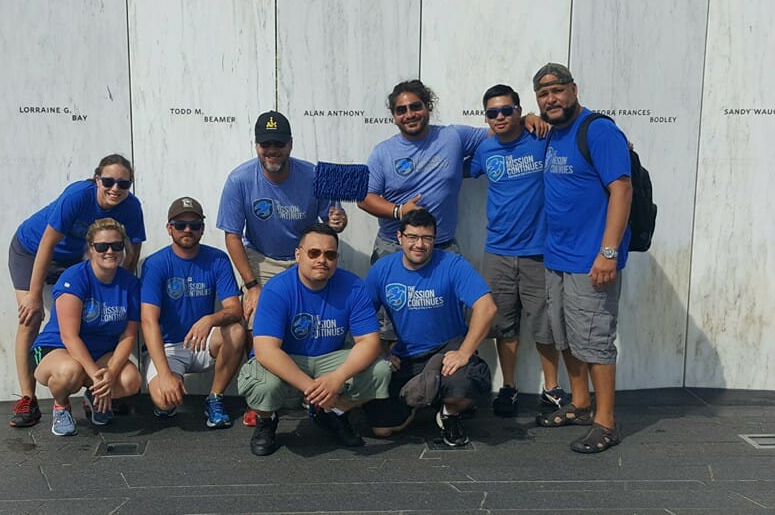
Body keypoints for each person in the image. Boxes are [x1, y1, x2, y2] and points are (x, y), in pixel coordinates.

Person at [217, 110, 347, 425]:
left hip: (303, 256)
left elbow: (334, 219)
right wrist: (251, 286)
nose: (271, 150)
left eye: (278, 143)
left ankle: (318, 395)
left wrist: (338, 222)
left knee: (315, 321)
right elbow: (232, 236)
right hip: (262, 257)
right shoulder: (239, 179)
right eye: (265, 144)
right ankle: (259, 399)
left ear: (290, 144)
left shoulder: (315, 174)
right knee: (257, 321)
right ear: (256, 145)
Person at [532, 63, 632, 454]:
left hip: (591, 260)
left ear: (574, 89)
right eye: (543, 94)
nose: (551, 99)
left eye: (557, 90)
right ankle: (580, 404)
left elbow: (621, 191)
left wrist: (607, 253)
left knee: (595, 340)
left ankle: (605, 423)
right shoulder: (553, 133)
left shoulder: (599, 131)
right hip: (557, 256)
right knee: (567, 335)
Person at [9, 154, 146, 428]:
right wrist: (35, 296)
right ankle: (28, 398)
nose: (115, 189)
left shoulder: (131, 207)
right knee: (31, 317)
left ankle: (93, 392)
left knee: (87, 320)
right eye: (108, 181)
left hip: (81, 254)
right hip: (33, 249)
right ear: (97, 179)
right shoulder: (78, 196)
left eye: (123, 184)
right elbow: (48, 242)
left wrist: (123, 285)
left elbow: (134, 247)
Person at [236, 223, 391, 456]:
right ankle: (267, 420)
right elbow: (266, 350)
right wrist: (312, 388)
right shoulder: (277, 289)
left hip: (329, 359)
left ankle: (334, 413)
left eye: (329, 255)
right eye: (314, 253)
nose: (322, 260)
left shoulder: (353, 286)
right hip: (288, 358)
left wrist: (336, 379)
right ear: (298, 255)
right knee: (263, 384)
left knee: (380, 370)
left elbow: (370, 342)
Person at [357, 79, 548, 263]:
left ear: (428, 106)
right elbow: (364, 197)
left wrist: (525, 118)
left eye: (415, 107)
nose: (409, 114)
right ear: (393, 115)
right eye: (401, 110)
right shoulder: (383, 152)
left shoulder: (453, 136)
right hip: (394, 246)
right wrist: (399, 211)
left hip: (442, 246)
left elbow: (499, 128)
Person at [468, 84, 567, 417]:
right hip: (497, 251)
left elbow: (566, 119)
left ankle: (552, 389)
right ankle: (508, 387)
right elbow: (456, 170)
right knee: (504, 326)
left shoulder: (541, 137)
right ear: (486, 118)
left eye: (507, 110)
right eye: (492, 112)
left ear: (518, 111)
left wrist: (534, 117)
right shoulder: (484, 151)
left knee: (545, 325)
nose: (500, 117)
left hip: (539, 252)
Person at [363, 209, 497, 446]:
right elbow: (360, 315)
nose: (419, 244)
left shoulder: (453, 264)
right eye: (413, 237)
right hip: (406, 357)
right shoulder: (382, 269)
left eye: (427, 238)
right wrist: (380, 352)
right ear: (399, 237)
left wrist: (464, 352)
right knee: (382, 429)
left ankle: (449, 413)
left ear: (435, 240)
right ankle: (424, 401)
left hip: (447, 352)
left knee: (462, 388)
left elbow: (486, 307)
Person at [30, 218, 143, 436]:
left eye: (117, 245)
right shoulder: (75, 278)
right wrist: (96, 374)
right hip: (58, 348)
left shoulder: (130, 283)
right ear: (91, 249)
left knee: (131, 380)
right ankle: (61, 406)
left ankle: (94, 397)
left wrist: (110, 372)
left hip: (101, 353)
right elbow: (70, 336)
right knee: (69, 372)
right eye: (102, 246)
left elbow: (129, 335)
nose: (110, 251)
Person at [140, 196, 246, 428]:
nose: (188, 230)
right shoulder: (155, 263)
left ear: (202, 229)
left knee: (237, 332)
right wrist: (165, 374)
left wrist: (210, 319)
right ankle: (166, 394)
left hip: (202, 342)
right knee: (166, 401)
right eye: (180, 225)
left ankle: (215, 398)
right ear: (169, 229)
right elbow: (148, 321)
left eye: (195, 225)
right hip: (168, 348)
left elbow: (234, 310)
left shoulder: (217, 259)